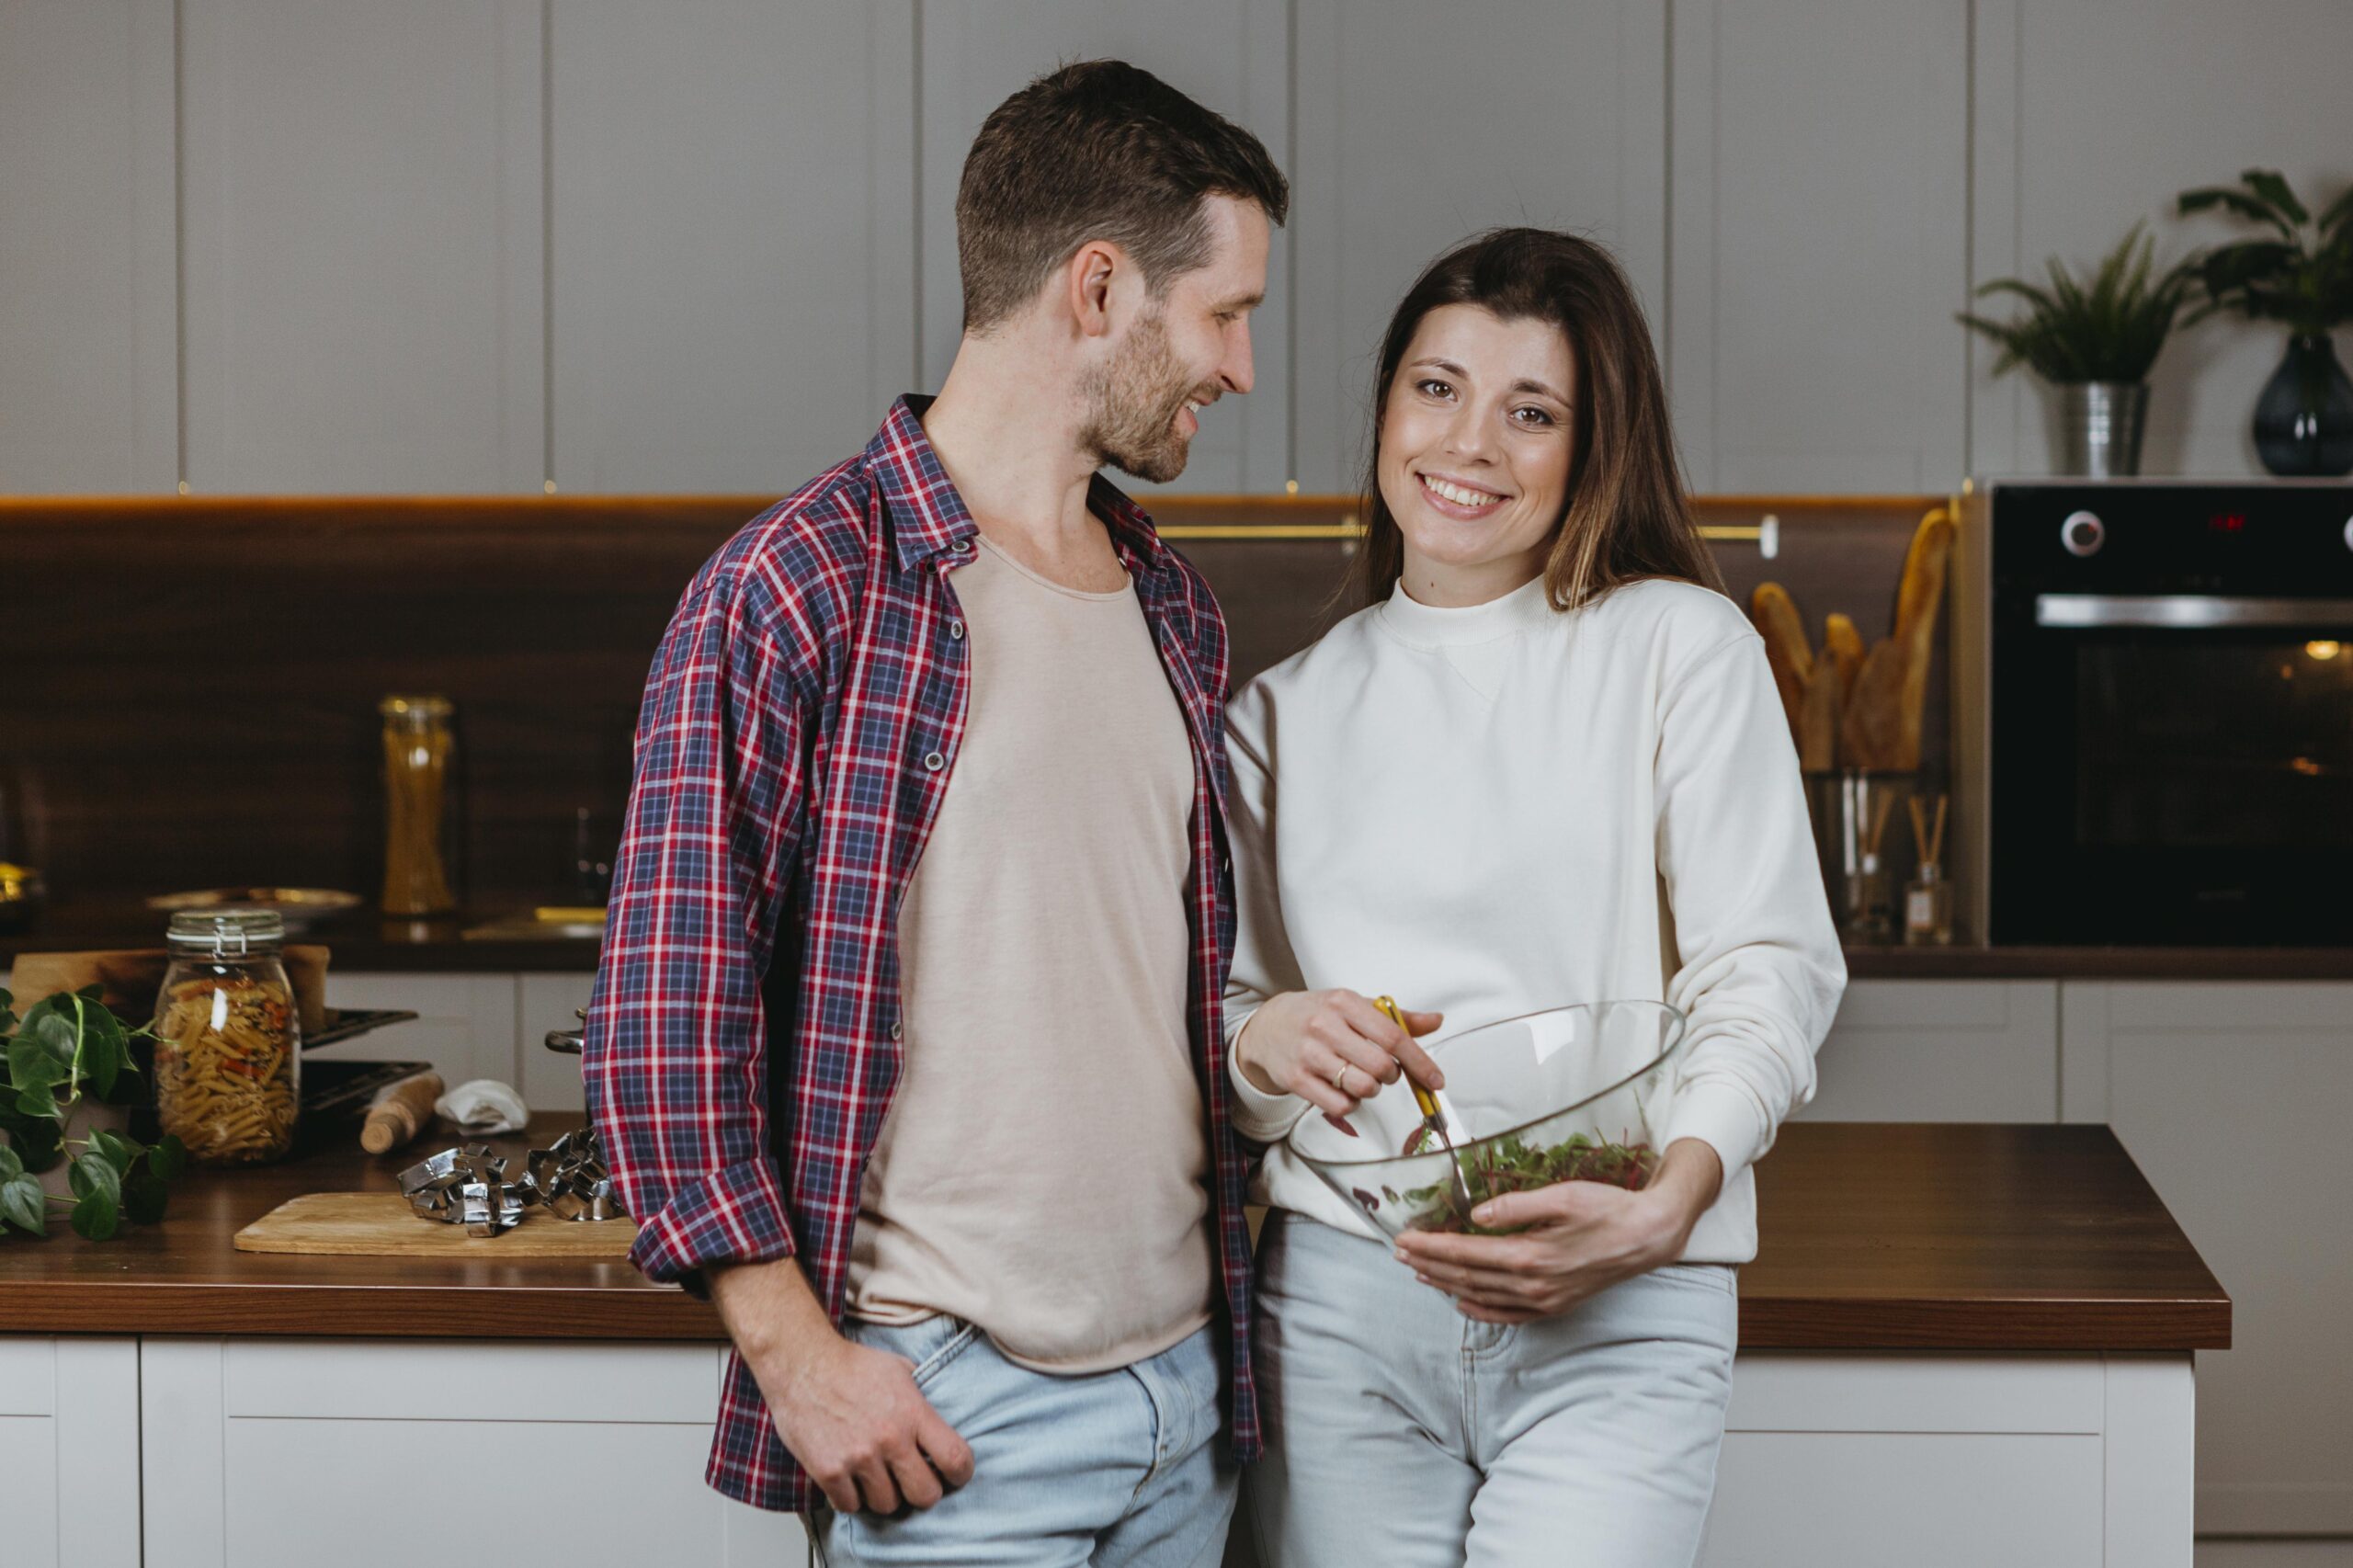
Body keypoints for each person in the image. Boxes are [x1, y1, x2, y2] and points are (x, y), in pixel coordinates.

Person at [583, 59, 1288, 1568]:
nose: (1240, 365)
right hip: (956, 1420)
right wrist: (797, 1359)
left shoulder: (1177, 608)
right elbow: (661, 1020)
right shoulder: (797, 589)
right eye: (1224, 312)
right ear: (1099, 287)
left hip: (1187, 1400)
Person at [1222, 227, 1847, 1568]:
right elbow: (1231, 1025)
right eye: (1437, 388)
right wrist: (1262, 1044)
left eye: (1533, 411)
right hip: (1343, 1308)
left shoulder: (1679, 645)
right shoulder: (1280, 714)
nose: (1470, 446)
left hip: (1624, 1297)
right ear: (1386, 404)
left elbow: (1768, 966)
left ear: (1594, 443)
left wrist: (1672, 1198)